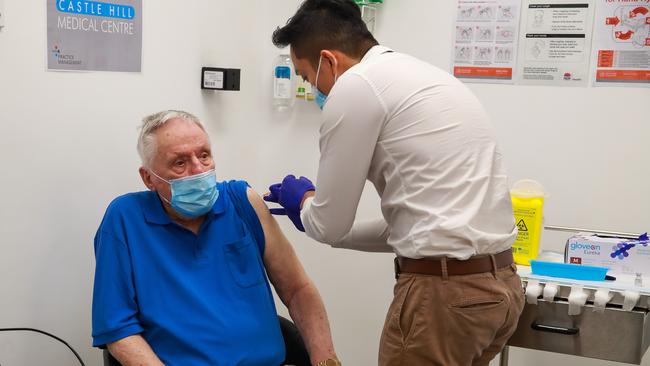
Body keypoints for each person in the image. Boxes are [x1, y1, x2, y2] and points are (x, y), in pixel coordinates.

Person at [266, 1, 525, 365]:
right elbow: (415, 228)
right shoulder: (423, 77)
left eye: (307, 76)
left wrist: (305, 203)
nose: (313, 88)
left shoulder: (355, 86)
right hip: (499, 290)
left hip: (443, 297)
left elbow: (327, 223)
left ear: (329, 60)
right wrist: (325, 224)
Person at [91, 110, 340, 366]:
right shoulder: (125, 219)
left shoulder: (242, 202)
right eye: (180, 162)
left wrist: (326, 360)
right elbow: (118, 328)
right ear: (149, 178)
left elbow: (297, 290)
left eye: (204, 155)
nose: (198, 170)